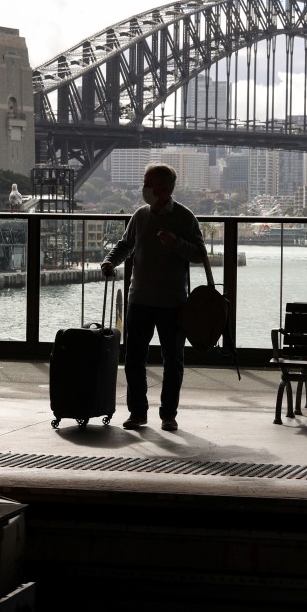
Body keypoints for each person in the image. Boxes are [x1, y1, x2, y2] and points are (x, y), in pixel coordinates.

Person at [101, 163, 206, 432]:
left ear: (165, 188)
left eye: (148, 183)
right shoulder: (140, 215)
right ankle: (138, 413)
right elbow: (126, 245)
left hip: (173, 302)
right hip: (139, 299)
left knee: (173, 361)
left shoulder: (185, 218)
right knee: (134, 359)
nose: (143, 188)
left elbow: (199, 254)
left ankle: (168, 414)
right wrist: (110, 262)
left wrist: (176, 244)